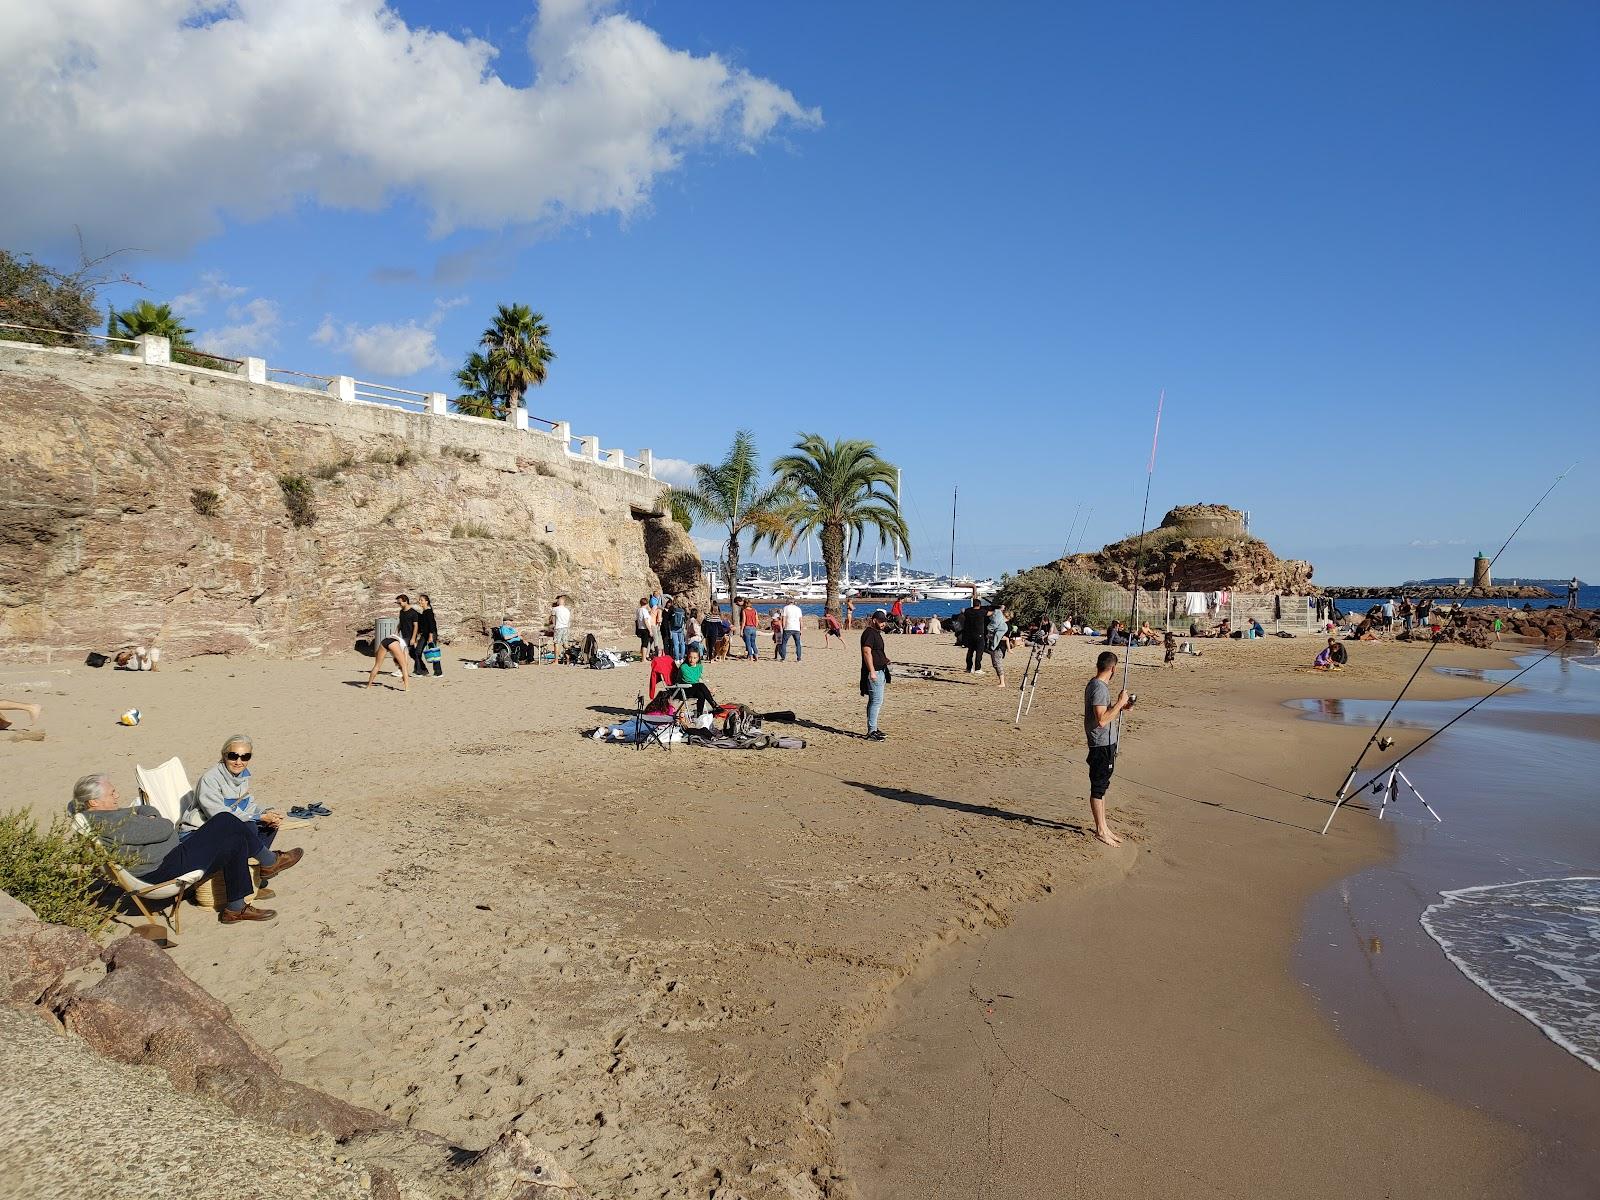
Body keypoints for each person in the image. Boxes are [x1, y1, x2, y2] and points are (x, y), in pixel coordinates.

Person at [72, 773, 299, 924]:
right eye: (112, 793)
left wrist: (148, 815)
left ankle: (236, 908)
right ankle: (269, 863)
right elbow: (163, 828)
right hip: (161, 871)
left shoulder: (108, 816)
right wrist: (154, 819)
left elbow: (145, 810)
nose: (117, 795)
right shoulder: (110, 823)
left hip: (170, 858)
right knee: (224, 821)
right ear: (94, 802)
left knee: (234, 838)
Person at [195, 735, 298, 863]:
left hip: (228, 825)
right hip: (199, 830)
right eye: (233, 756)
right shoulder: (210, 779)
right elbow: (219, 815)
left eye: (245, 757)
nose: (239, 762)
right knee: (250, 827)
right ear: (224, 755)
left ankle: (257, 867)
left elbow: (246, 804)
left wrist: (266, 813)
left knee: (271, 824)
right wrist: (257, 817)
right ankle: (270, 861)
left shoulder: (241, 776)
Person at [1083, 650, 1132, 847]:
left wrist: (1121, 707)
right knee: (1098, 787)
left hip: (1106, 743)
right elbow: (1102, 720)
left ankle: (1103, 826)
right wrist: (1120, 702)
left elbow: (1105, 712)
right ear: (1113, 669)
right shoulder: (1099, 688)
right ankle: (1100, 830)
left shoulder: (1098, 685)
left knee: (1102, 788)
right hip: (1100, 744)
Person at [860, 609, 890, 741]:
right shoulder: (869, 633)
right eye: (881, 621)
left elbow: (876, 651)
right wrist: (872, 671)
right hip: (875, 672)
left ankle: (874, 728)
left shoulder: (876, 633)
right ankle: (871, 731)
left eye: (884, 621)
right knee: (876, 701)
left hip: (881, 670)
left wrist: (884, 659)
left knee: (876, 701)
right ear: (874, 621)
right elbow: (866, 652)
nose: (883, 624)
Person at [673, 647, 719, 717]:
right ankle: (714, 705)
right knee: (700, 686)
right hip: (683, 689)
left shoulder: (699, 666)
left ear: (698, 658)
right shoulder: (683, 667)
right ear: (687, 657)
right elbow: (691, 681)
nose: (692, 660)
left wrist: (707, 690)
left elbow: (699, 679)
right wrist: (707, 690)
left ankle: (699, 715)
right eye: (690, 657)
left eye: (695, 658)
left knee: (701, 694)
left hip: (695, 688)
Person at [366, 625, 411, 690]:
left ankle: (368, 686)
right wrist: (403, 674)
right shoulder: (404, 648)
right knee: (404, 666)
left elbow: (377, 653)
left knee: (377, 665)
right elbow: (406, 665)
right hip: (393, 642)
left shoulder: (397, 650)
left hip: (385, 640)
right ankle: (407, 688)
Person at [398, 595, 427, 680]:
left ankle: (401, 670)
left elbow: (416, 626)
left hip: (410, 636)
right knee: (413, 654)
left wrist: (413, 638)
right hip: (404, 635)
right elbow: (400, 623)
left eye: (400, 602)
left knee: (402, 652)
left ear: (405, 601)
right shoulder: (401, 612)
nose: (399, 603)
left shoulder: (413, 612)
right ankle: (423, 669)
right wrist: (396, 632)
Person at [987, 602, 1010, 686]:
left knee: (998, 664)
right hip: (997, 646)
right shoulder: (1001, 624)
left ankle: (1002, 682)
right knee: (995, 664)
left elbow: (1003, 637)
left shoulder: (1005, 626)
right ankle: (1001, 682)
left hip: (999, 647)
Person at [663, 595, 688, 662]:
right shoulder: (682, 610)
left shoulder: (672, 610)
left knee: (676, 644)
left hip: (673, 629)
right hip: (681, 628)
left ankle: (677, 659)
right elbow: (685, 619)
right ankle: (682, 658)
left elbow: (669, 619)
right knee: (682, 643)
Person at [549, 594, 572, 664]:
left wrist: (551, 627)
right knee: (565, 645)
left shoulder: (555, 609)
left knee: (556, 643)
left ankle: (556, 660)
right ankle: (568, 660)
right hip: (566, 627)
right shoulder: (567, 610)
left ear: (559, 602)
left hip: (558, 627)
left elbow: (553, 620)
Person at [780, 597, 804, 662]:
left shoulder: (785, 608)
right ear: (793, 602)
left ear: (788, 602)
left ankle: (783, 658)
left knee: (784, 643)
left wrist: (783, 626)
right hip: (796, 628)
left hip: (788, 627)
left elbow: (784, 618)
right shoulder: (798, 609)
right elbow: (801, 620)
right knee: (798, 644)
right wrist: (801, 629)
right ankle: (799, 658)